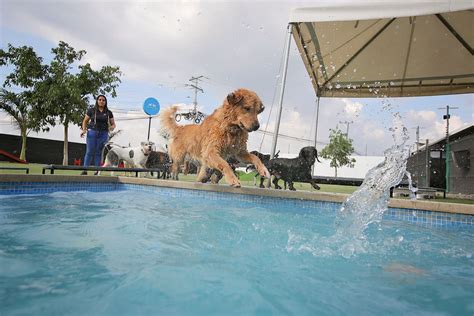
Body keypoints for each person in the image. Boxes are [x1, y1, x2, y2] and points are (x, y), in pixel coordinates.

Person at [80, 94, 116, 175]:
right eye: (100, 99)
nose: (101, 101)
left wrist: (111, 128)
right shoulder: (91, 110)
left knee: (99, 152)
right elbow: (85, 121)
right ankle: (84, 170)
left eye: (103, 100)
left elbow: (113, 124)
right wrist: (84, 130)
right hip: (92, 132)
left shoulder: (108, 112)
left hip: (103, 134)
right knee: (89, 151)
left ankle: (97, 171)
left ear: (105, 102)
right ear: (97, 101)